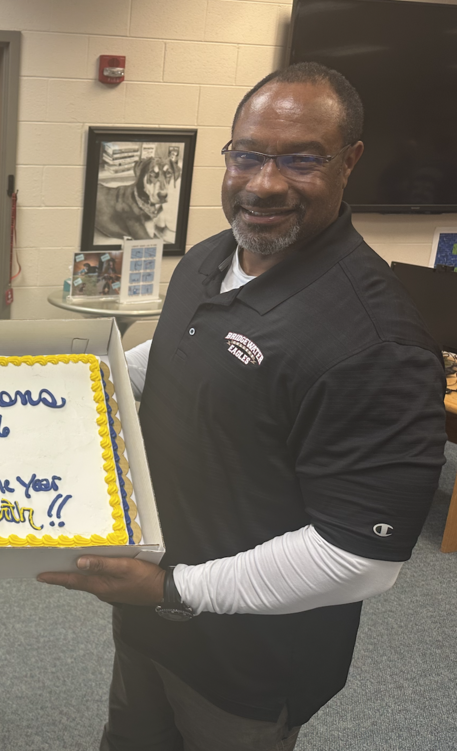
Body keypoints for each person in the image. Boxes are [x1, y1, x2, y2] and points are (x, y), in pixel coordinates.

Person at [39, 63, 447, 750]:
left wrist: (174, 588)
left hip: (248, 664)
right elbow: (174, 357)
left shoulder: (378, 344)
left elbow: (359, 557)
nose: (264, 182)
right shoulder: (207, 258)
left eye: (301, 159)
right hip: (147, 612)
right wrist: (79, 381)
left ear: (350, 162)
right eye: (248, 154)